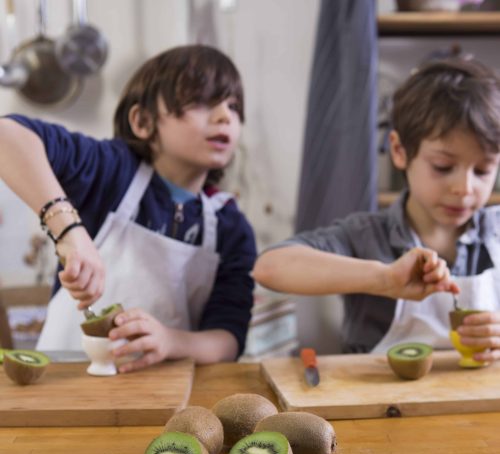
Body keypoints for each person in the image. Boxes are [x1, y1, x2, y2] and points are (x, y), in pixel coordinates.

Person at [0, 45, 256, 371]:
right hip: (63, 380)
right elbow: (7, 134)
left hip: (164, 392)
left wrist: (171, 340)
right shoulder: (111, 171)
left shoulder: (231, 228)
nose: (225, 117)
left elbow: (227, 338)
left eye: (233, 107)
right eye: (202, 101)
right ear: (143, 121)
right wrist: (69, 231)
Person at [254, 58, 500, 363]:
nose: (465, 187)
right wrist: (383, 279)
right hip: (378, 407)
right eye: (443, 166)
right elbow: (269, 268)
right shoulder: (365, 236)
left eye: (483, 170)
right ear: (399, 151)